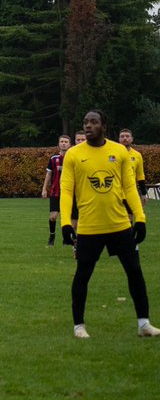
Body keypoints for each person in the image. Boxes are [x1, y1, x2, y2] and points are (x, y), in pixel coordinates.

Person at [60, 109, 159, 340]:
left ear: (104, 125)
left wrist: (140, 218)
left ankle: (144, 324)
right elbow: (66, 191)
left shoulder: (118, 152)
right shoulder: (73, 155)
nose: (88, 126)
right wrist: (66, 223)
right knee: (83, 275)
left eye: (93, 122)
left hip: (119, 225)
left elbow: (129, 187)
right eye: (85, 122)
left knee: (134, 272)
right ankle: (79, 326)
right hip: (89, 227)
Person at [41, 135, 71, 247]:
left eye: (66, 142)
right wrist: (44, 188)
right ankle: (52, 236)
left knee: (66, 217)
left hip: (69, 192)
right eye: (62, 141)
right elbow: (49, 174)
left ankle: (66, 239)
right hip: (55, 192)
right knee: (53, 216)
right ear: (58, 144)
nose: (64, 143)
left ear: (69, 144)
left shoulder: (72, 157)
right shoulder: (53, 158)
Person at [118, 128, 149, 225]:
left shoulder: (137, 155)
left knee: (129, 218)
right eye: (122, 136)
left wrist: (143, 194)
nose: (125, 138)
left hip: (130, 191)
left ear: (132, 139)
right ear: (119, 139)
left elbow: (140, 175)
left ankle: (129, 238)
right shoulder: (112, 154)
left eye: (127, 136)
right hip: (115, 191)